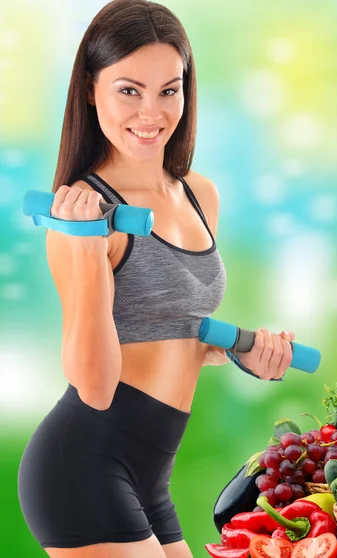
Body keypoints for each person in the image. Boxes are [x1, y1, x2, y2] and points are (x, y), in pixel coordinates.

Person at [17, 1, 295, 556]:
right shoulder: (81, 219)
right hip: (83, 464)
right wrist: (88, 247)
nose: (151, 112)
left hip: (151, 474)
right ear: (91, 90)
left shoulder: (200, 193)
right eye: (128, 90)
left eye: (168, 90)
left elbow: (175, 329)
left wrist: (244, 352)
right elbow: (95, 386)